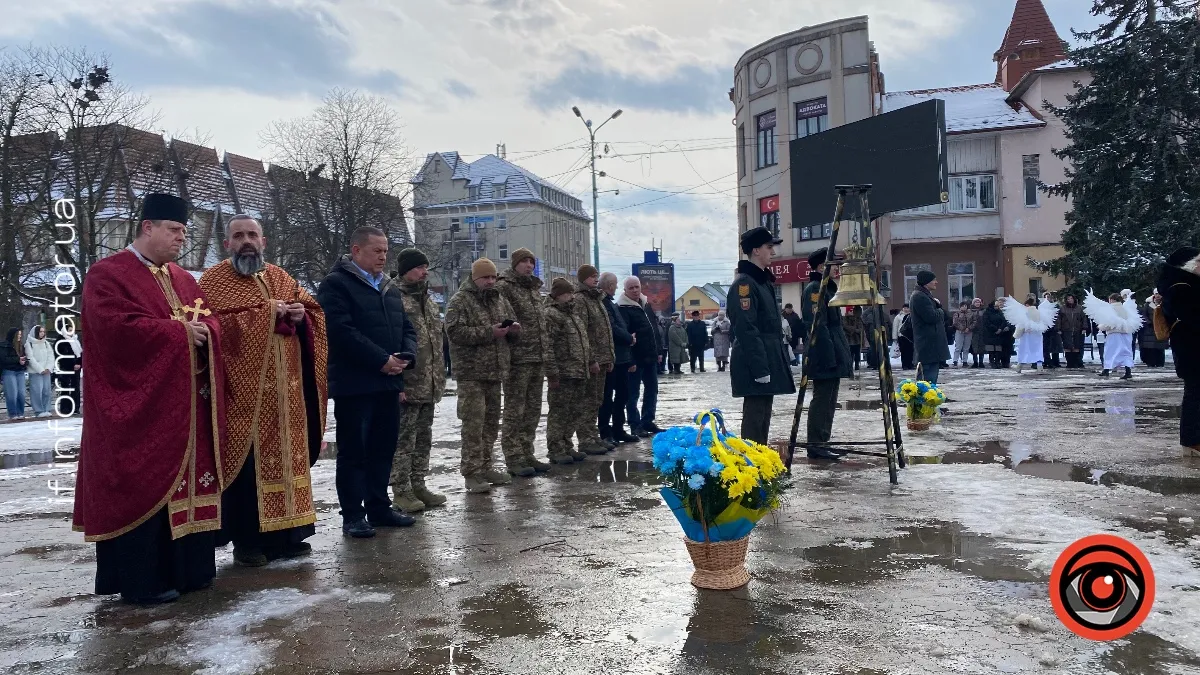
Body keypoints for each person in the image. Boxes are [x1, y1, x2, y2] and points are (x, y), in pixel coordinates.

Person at [73, 193, 226, 604]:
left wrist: (206, 332)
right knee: (142, 482)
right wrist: (179, 335)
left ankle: (191, 570)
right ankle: (145, 580)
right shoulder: (108, 274)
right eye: (174, 230)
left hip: (188, 405)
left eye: (183, 231)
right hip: (138, 409)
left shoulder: (184, 278)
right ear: (148, 228)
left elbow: (210, 320)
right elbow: (114, 330)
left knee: (191, 480)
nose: (182, 239)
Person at [199, 214, 328, 565]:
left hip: (286, 398)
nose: (246, 241)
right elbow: (213, 328)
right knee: (246, 469)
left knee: (288, 463)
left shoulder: (281, 276)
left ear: (263, 241)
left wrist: (304, 315)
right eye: (238, 235)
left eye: (252, 235)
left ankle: (287, 536)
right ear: (226, 244)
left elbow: (314, 310)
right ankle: (248, 543)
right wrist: (267, 313)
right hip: (243, 397)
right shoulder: (213, 281)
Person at [316, 226, 418, 538]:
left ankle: (378, 506)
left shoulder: (389, 287)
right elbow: (340, 330)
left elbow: (407, 326)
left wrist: (406, 356)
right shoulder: (336, 284)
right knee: (354, 451)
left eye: (386, 251)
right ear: (357, 250)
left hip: (388, 382)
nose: (383, 256)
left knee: (383, 448)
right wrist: (380, 360)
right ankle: (352, 515)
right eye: (377, 251)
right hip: (356, 383)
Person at [446, 258, 524, 486]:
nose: (490, 281)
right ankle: (472, 473)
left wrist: (513, 330)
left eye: (493, 277)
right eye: (486, 278)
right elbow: (454, 332)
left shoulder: (499, 299)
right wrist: (489, 332)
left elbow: (511, 332)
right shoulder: (460, 301)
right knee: (473, 424)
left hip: (495, 371)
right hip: (472, 373)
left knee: (491, 423)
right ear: (475, 278)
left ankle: (486, 466)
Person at [389, 249, 449, 512]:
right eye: (418, 267)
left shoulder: (428, 299)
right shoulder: (394, 297)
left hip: (429, 383)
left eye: (426, 267)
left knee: (423, 438)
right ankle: (401, 490)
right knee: (404, 440)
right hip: (408, 383)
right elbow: (393, 341)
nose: (424, 272)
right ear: (405, 270)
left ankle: (418, 484)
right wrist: (398, 383)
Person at [727, 226, 795, 444]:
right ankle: (751, 465)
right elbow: (747, 329)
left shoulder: (761, 281)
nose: (773, 252)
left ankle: (759, 464)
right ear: (756, 250)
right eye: (769, 247)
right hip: (754, 359)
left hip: (766, 355)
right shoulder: (745, 284)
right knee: (755, 417)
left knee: (763, 413)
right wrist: (759, 367)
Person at [496, 248, 553, 475]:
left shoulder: (533, 289)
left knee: (532, 410)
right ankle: (514, 457)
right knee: (515, 410)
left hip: (537, 357)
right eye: (524, 262)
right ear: (515, 264)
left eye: (531, 262)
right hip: (517, 358)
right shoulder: (505, 287)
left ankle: (527, 452)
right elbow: (502, 318)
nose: (529, 265)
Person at [800, 248, 851, 460]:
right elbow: (817, 328)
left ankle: (823, 441)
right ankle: (815, 444)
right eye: (834, 266)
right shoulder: (814, 289)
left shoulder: (828, 289)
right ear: (822, 267)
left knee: (830, 400)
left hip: (833, 354)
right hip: (824, 356)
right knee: (822, 400)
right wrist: (830, 357)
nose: (838, 270)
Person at [544, 278, 592, 464]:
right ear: (558, 295)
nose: (572, 297)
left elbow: (583, 343)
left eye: (572, 293)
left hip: (578, 371)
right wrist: (552, 373)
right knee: (559, 412)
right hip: (563, 373)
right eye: (568, 293)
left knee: (574, 411)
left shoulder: (573, 315)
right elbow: (548, 346)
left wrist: (588, 362)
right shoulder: (551, 315)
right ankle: (555, 449)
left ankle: (566, 444)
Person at [1158, 247, 1200, 455]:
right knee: (1195, 394)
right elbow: (1192, 318)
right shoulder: (1182, 287)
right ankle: (1191, 440)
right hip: (1191, 348)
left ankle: (1192, 439)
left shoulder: (1185, 285)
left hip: (1190, 346)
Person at [574, 265, 615, 455]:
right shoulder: (581, 300)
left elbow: (605, 331)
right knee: (588, 401)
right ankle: (585, 439)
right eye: (591, 277)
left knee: (597, 400)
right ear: (583, 279)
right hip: (592, 360)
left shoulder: (597, 299)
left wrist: (610, 356)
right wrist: (590, 359)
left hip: (603, 358)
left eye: (596, 276)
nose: (595, 279)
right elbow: (582, 332)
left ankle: (593, 435)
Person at [618, 276, 663, 438]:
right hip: (634, 359)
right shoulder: (623, 308)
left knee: (652, 390)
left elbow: (654, 331)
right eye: (631, 288)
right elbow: (625, 337)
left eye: (637, 287)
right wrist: (629, 360)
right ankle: (634, 424)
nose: (635, 290)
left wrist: (658, 351)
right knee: (633, 394)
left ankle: (647, 421)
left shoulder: (646, 305)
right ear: (625, 291)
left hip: (650, 357)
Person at [598, 272, 636, 445]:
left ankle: (619, 429)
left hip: (621, 357)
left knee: (623, 394)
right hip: (611, 357)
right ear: (609, 285)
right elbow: (612, 328)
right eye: (615, 284)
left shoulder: (610, 303)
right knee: (607, 397)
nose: (617, 287)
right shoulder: (603, 303)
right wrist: (629, 338)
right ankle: (605, 432)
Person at [1085, 290, 1140, 379]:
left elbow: (1110, 323)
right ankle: (1128, 371)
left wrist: (1101, 327)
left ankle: (1106, 370)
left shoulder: (1111, 308)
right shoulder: (1125, 308)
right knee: (1125, 352)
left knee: (1110, 352)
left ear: (1112, 300)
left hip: (1114, 335)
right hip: (1126, 334)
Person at [909, 271, 950, 384]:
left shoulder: (924, 295)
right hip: (928, 343)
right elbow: (931, 317)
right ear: (926, 282)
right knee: (927, 376)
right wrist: (940, 309)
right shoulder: (920, 296)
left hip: (930, 343)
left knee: (930, 374)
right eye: (934, 280)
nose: (936, 282)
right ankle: (925, 398)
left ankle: (928, 396)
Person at [1001, 295, 1055, 374]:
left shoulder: (1025, 312)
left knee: (1024, 350)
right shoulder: (1038, 311)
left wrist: (1016, 334)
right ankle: (1040, 367)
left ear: (1026, 305)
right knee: (1038, 350)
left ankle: (1019, 366)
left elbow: (1021, 324)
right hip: (1037, 334)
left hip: (1026, 335)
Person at [24, 326, 53, 417]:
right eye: (40, 332)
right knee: (37, 391)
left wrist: (48, 368)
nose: (42, 333)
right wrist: (40, 369)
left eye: (43, 332)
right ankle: (38, 410)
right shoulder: (29, 344)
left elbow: (50, 356)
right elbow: (30, 358)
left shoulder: (46, 343)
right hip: (35, 372)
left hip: (46, 371)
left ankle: (46, 409)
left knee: (46, 391)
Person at [54, 332, 82, 416]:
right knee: (65, 387)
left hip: (76, 368)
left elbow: (80, 353)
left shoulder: (76, 340)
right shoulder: (61, 341)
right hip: (65, 368)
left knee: (75, 387)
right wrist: (72, 364)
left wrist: (79, 364)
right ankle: (65, 408)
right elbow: (61, 355)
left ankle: (75, 407)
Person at [1, 328, 26, 420]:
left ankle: (20, 412)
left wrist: (25, 361)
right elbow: (4, 359)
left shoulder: (20, 346)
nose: (19, 337)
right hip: (9, 371)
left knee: (21, 393)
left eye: (20, 335)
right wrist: (18, 360)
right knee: (12, 393)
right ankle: (13, 413)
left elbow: (23, 357)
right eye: (18, 335)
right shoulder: (4, 346)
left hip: (20, 371)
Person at [1138, 291, 1167, 368]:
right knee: (1150, 347)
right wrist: (1148, 322)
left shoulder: (1165, 303)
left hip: (1161, 327)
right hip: (1150, 328)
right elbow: (1144, 314)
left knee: (1160, 347)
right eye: (1156, 294)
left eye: (1159, 294)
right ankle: (1151, 362)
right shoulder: (1148, 304)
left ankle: (1160, 363)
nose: (1157, 295)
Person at [1059, 294, 1088, 369]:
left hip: (1077, 330)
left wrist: (1084, 328)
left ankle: (1076, 363)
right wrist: (1058, 329)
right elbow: (1059, 320)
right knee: (1067, 346)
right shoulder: (1062, 308)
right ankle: (1069, 363)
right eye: (1068, 299)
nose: (1070, 300)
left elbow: (1084, 318)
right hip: (1066, 330)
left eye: (1071, 298)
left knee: (1076, 346)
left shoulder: (1079, 308)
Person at [951, 302, 974, 368]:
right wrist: (962, 328)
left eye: (965, 306)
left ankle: (965, 361)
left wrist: (969, 328)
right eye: (963, 306)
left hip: (969, 332)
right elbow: (955, 322)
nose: (964, 307)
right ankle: (955, 361)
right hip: (959, 332)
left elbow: (974, 321)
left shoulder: (970, 314)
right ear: (960, 307)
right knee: (958, 347)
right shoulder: (957, 314)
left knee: (966, 348)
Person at [842, 306, 865, 372]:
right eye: (858, 311)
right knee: (850, 354)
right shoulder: (847, 318)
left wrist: (856, 330)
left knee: (857, 354)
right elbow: (845, 326)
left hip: (857, 340)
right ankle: (850, 367)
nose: (860, 313)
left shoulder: (859, 319)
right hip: (849, 340)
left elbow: (861, 329)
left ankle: (857, 366)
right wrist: (853, 329)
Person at [895, 305, 915, 370]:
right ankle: (904, 365)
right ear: (902, 309)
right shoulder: (898, 317)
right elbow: (895, 327)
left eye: (907, 308)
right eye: (905, 308)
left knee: (910, 351)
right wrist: (894, 337)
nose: (906, 309)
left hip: (910, 336)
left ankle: (910, 364)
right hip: (901, 336)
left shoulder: (912, 316)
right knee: (903, 351)